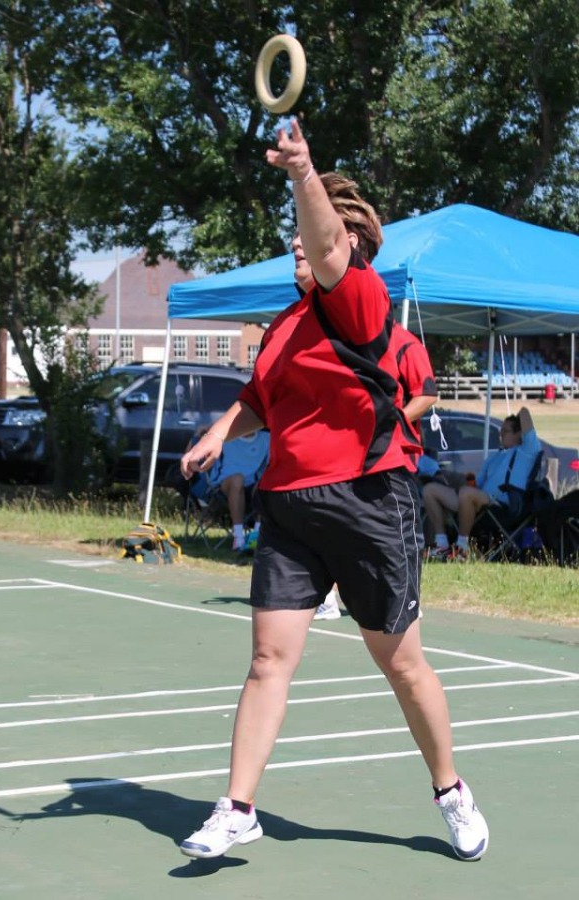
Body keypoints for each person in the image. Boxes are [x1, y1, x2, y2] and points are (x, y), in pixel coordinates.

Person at [179, 120, 489, 863]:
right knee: (268, 659)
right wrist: (221, 431)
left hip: (368, 503)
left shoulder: (358, 301)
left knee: (402, 663)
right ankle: (238, 807)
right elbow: (260, 399)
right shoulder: (283, 326)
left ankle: (450, 790)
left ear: (349, 249)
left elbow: (325, 250)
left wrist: (302, 172)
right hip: (290, 504)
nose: (297, 245)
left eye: (310, 238)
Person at [315, 322, 438, 621]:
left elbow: (426, 395)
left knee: (396, 534)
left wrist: (389, 423)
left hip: (393, 458)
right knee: (337, 526)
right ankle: (327, 599)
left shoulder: (405, 343)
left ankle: (408, 599)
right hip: (348, 455)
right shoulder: (346, 340)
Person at [423, 406, 540, 561]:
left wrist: (517, 419)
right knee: (430, 490)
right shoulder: (495, 456)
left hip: (504, 505)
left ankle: (462, 548)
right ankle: (442, 545)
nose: (501, 434)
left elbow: (524, 412)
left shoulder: (527, 451)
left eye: (505, 431)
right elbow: (476, 484)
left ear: (519, 434)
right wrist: (458, 480)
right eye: (501, 431)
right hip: (479, 501)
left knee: (466, 494)